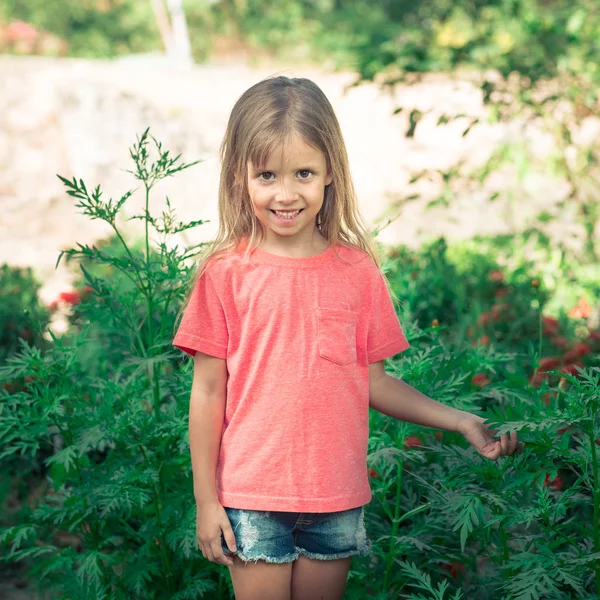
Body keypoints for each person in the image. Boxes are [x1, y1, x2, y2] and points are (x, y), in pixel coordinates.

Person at [172, 75, 524, 600]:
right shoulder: (226, 273)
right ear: (239, 176)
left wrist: (461, 421)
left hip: (336, 498)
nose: (285, 193)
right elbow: (207, 392)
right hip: (251, 496)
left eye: (304, 173)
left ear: (330, 172)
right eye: (266, 174)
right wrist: (206, 499)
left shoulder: (356, 271)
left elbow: (373, 383)